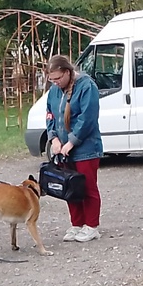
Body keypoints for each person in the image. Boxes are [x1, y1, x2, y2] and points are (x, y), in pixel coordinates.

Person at [46, 55, 103, 242]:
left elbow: (88, 118)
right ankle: (77, 223)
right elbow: (50, 114)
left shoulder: (87, 86)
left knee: (87, 187)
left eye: (58, 78)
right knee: (69, 187)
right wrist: (54, 138)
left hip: (86, 148)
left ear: (67, 72)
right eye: (51, 79)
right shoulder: (54, 91)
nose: (55, 83)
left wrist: (72, 142)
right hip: (63, 149)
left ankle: (92, 226)